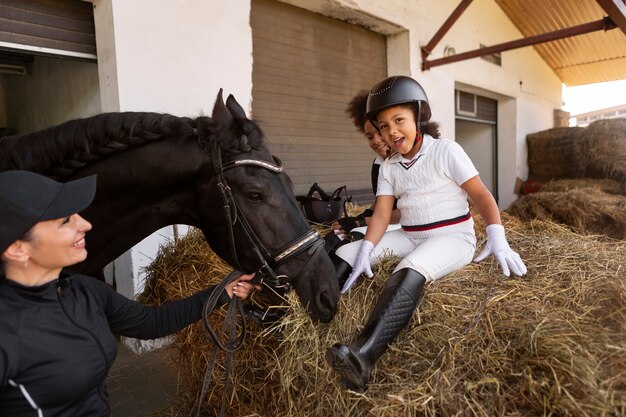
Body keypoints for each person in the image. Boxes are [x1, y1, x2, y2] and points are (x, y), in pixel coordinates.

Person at [325, 75, 527, 391]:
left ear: (418, 116)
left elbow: (483, 196)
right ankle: (317, 313)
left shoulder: (446, 151)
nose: (391, 131)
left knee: (410, 269)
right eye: (382, 126)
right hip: (410, 234)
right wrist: (366, 247)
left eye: (399, 120)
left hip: (452, 238)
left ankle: (364, 355)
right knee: (344, 253)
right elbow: (381, 213)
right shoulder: (389, 166)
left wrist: (497, 235)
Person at [0, 170, 258, 416]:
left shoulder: (85, 291)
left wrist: (222, 292)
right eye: (66, 220)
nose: (86, 224)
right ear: (17, 249)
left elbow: (151, 322)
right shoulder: (7, 332)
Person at [327, 91, 401, 284]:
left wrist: (361, 222)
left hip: (406, 227)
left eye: (379, 132)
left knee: (351, 239)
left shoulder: (409, 162)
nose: (375, 140)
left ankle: (330, 292)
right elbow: (382, 202)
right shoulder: (379, 164)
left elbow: (408, 212)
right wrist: (360, 217)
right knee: (334, 237)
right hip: (385, 223)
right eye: (369, 136)